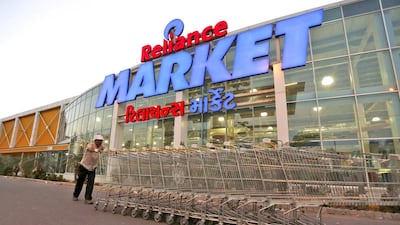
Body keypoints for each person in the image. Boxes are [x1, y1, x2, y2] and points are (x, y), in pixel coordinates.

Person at [73, 134, 106, 204]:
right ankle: (75, 195)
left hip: (92, 167)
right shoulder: (91, 145)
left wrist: (106, 150)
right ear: (95, 141)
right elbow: (89, 148)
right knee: (80, 181)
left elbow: (105, 149)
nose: (100, 142)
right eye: (99, 141)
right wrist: (97, 150)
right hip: (84, 166)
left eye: (101, 141)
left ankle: (88, 198)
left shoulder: (100, 146)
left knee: (91, 183)